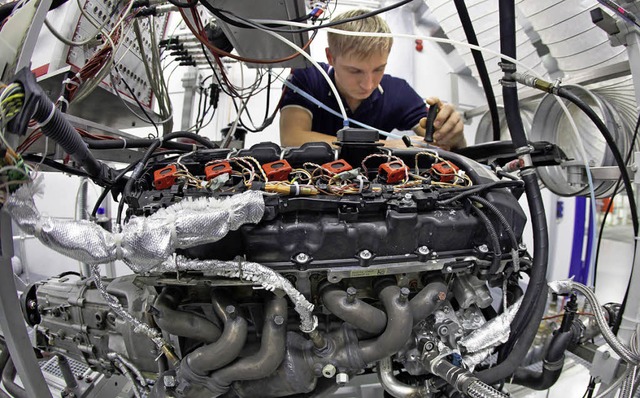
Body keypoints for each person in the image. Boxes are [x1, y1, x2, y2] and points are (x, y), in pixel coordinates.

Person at [279, 9, 466, 150]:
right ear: (331, 57)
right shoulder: (308, 75)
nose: (368, 84)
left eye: (379, 69)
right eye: (355, 71)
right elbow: (292, 137)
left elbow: (435, 142)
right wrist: (389, 146)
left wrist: (451, 133)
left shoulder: (398, 90)